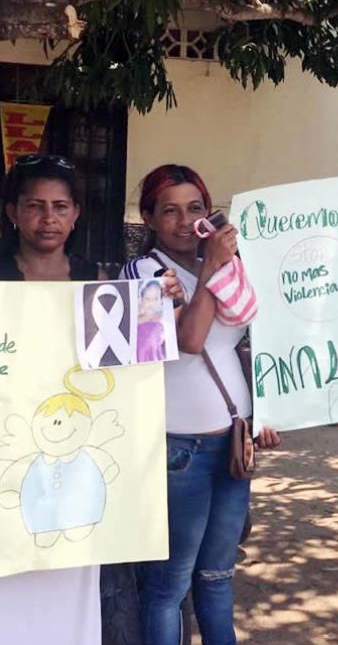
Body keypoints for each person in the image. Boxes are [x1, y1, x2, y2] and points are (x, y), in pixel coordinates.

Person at [0, 154, 157, 645]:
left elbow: (130, 374)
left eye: (60, 206)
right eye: (35, 205)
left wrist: (157, 305)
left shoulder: (101, 282)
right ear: (13, 213)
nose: (48, 218)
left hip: (76, 470)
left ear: (77, 213)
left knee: (70, 596)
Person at [122, 164, 280, 645]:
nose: (184, 220)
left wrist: (267, 410)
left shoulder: (227, 269)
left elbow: (245, 343)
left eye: (194, 208)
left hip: (232, 441)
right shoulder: (143, 274)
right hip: (179, 450)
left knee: (217, 577)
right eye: (169, 211)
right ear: (147, 217)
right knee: (169, 586)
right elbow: (190, 341)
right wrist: (212, 266)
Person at [137, 280, 168, 362]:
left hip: (157, 361)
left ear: (161, 301)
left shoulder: (164, 319)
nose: (151, 303)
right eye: (147, 298)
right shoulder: (136, 321)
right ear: (141, 300)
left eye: (155, 298)